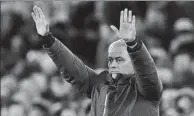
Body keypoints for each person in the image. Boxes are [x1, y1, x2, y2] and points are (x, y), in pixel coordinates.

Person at [31, 5, 163, 116]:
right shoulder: (99, 84)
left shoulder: (146, 90)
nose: (113, 64)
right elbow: (73, 67)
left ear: (134, 62)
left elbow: (147, 71)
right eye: (110, 60)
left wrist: (133, 44)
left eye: (119, 59)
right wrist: (48, 39)